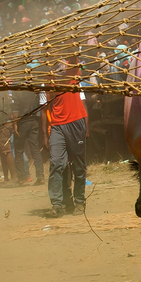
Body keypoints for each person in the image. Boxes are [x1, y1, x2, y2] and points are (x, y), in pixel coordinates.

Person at [46, 65, 88, 217]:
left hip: (76, 122)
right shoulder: (47, 77)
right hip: (57, 125)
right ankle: (57, 203)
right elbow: (49, 105)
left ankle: (79, 201)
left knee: (78, 166)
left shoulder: (72, 72)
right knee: (56, 163)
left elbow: (73, 50)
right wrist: (47, 129)